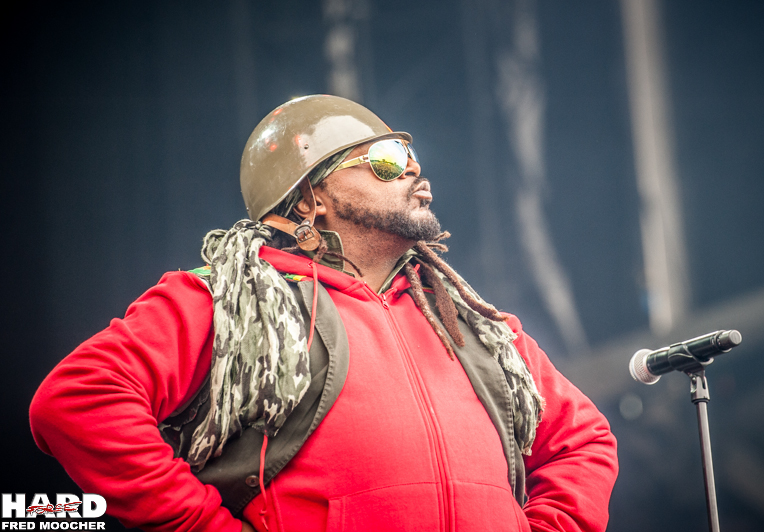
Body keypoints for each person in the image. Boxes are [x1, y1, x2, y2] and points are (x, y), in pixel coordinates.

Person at [30, 95, 618, 532]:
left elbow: (583, 440)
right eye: (385, 160)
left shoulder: (474, 323)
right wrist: (200, 525)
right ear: (312, 198)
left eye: (411, 157)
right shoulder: (225, 300)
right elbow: (78, 400)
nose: (413, 170)